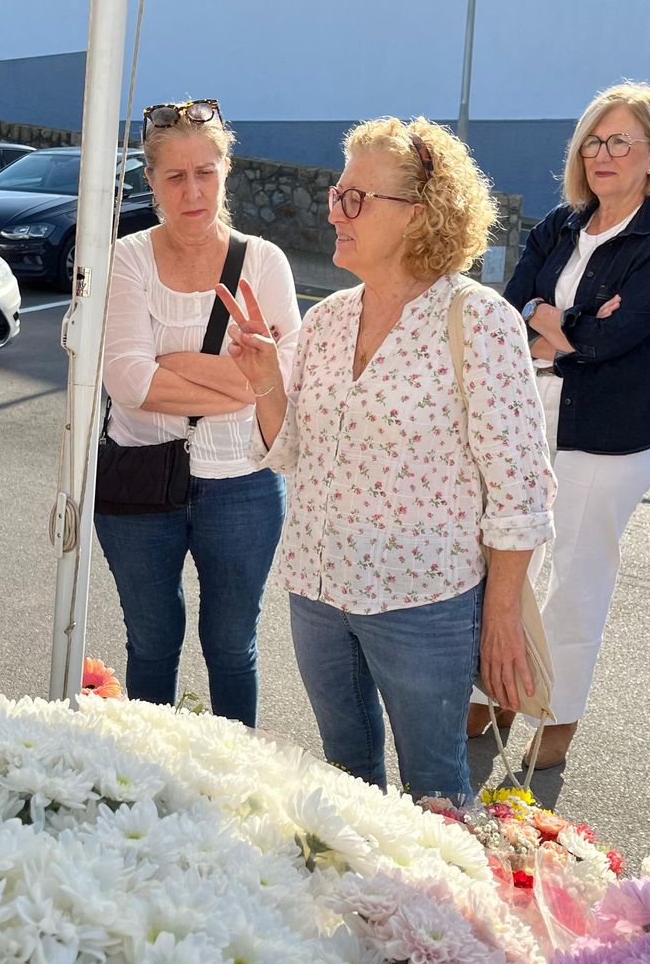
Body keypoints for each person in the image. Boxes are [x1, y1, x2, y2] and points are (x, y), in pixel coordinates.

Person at [225, 117, 554, 804]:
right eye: (335, 192)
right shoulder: (329, 319)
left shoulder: (478, 320)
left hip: (423, 602)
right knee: (347, 784)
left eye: (355, 198)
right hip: (317, 589)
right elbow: (290, 454)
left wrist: (498, 619)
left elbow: (519, 490)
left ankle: (437, 911)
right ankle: (366, 906)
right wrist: (265, 380)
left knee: (434, 790)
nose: (334, 209)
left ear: (419, 216)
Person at [470, 81, 650, 769]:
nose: (604, 154)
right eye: (594, 141)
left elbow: (617, 339)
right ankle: (497, 692)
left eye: (621, 142)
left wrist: (553, 324)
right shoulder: (559, 225)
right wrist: (564, 327)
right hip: (530, 414)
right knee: (507, 561)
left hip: (611, 433)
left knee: (577, 575)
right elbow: (507, 312)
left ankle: (557, 715)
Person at [96, 99, 300, 727]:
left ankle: (230, 783)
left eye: (205, 173)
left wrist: (172, 360)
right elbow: (129, 381)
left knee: (232, 650)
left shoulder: (263, 262)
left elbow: (283, 380)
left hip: (242, 485)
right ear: (150, 180)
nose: (192, 191)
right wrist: (240, 384)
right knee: (152, 645)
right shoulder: (127, 258)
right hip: (140, 476)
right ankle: (149, 780)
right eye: (175, 176)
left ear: (226, 172)